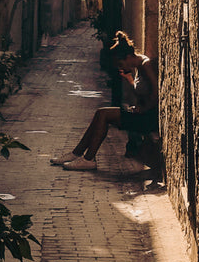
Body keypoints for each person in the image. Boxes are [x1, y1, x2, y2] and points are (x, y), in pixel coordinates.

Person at [50, 31, 158, 171]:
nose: (120, 67)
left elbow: (157, 91)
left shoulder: (146, 64)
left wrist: (144, 109)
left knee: (103, 115)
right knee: (100, 113)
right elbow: (142, 92)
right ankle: (76, 154)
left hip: (148, 119)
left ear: (128, 57)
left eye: (120, 63)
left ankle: (88, 159)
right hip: (141, 114)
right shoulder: (136, 67)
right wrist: (130, 80)